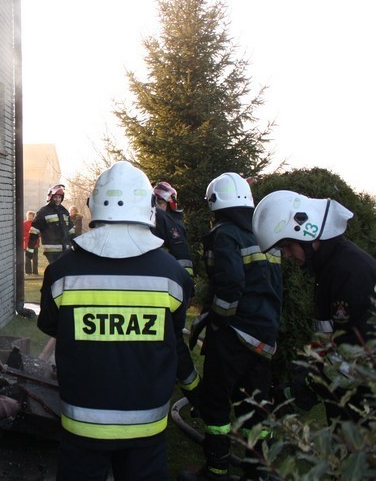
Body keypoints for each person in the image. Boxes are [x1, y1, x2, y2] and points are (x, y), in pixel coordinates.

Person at [38, 162, 200, 481]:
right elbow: (173, 337)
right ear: (149, 208)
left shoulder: (61, 273)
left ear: (94, 207)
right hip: (147, 428)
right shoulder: (173, 276)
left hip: (81, 426)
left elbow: (51, 328)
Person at [180, 173, 283, 481]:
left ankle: (216, 471)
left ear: (215, 204)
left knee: (216, 401)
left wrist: (217, 320)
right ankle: (257, 472)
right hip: (264, 335)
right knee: (255, 404)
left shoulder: (224, 234)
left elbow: (230, 286)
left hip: (233, 335)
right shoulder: (265, 233)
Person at [252, 190, 376, 422]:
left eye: (288, 246)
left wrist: (312, 382)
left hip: (363, 402)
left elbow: (359, 354)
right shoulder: (330, 268)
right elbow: (331, 336)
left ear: (305, 232)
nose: (287, 255)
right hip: (345, 396)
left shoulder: (350, 271)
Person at [151, 182, 194, 277]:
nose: (156, 206)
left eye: (160, 202)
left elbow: (182, 256)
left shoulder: (174, 225)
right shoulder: (152, 221)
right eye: (154, 202)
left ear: (170, 203)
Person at [27, 184, 75, 265]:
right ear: (51, 197)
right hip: (52, 250)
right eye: (55, 197)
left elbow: (71, 230)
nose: (58, 200)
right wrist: (30, 249)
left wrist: (76, 244)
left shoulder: (64, 211)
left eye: (60, 197)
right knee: (57, 271)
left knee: (64, 272)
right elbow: (34, 231)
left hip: (65, 249)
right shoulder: (44, 212)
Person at [23, 210, 39, 275]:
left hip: (35, 244)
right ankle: (28, 272)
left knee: (35, 259)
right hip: (27, 244)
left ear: (33, 217)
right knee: (27, 259)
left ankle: (35, 272)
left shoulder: (36, 224)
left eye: (30, 216)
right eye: (28, 216)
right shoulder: (24, 224)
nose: (29, 217)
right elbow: (22, 233)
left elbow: (39, 233)